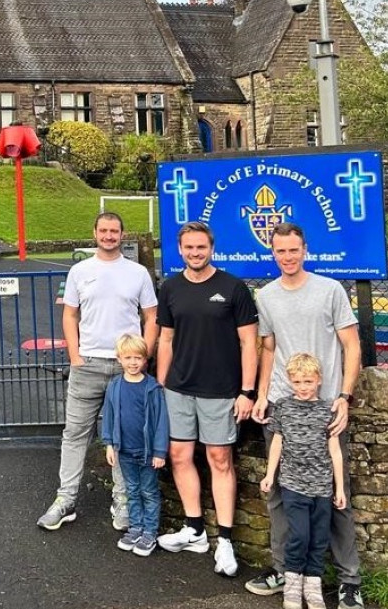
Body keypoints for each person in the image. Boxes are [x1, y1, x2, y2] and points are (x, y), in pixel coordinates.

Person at [248, 222, 364, 609]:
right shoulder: (266, 296)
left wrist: (344, 397)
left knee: (335, 493)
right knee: (281, 494)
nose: (287, 257)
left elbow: (351, 345)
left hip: (325, 408)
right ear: (273, 253)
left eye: (293, 250)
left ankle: (349, 580)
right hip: (284, 407)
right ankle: (285, 570)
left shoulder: (330, 290)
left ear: (305, 249)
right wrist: (263, 395)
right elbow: (268, 349)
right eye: (280, 251)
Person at [37, 212, 159, 531]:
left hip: (126, 367)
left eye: (114, 231)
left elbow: (151, 317)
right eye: (103, 230)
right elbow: (69, 315)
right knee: (75, 433)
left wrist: (142, 357)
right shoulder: (80, 271)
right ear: (94, 233)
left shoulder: (137, 273)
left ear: (122, 234)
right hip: (87, 364)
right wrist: (75, 356)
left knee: (124, 436)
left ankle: (123, 501)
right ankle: (65, 500)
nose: (108, 235)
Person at [154, 221, 258, 577]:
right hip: (179, 388)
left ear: (211, 248)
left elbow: (249, 342)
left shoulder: (233, 288)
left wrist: (247, 391)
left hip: (221, 390)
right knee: (179, 455)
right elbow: (165, 340)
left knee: (220, 458)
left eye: (201, 247)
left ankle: (224, 540)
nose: (195, 253)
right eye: (189, 248)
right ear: (180, 250)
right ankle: (195, 529)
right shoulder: (170, 288)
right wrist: (162, 384)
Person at [260, 353, 347, 609]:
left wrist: (339, 487)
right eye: (297, 382)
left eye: (308, 381)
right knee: (299, 535)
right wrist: (269, 474)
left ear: (319, 380)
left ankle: (313, 585)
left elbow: (335, 451)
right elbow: (277, 442)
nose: (303, 387)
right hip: (293, 485)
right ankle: (292, 584)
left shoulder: (327, 409)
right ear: (289, 382)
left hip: (321, 487)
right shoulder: (284, 407)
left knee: (319, 539)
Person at [100, 334, 169, 557]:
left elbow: (161, 422)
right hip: (125, 450)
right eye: (128, 357)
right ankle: (135, 527)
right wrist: (109, 444)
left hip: (148, 452)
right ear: (119, 359)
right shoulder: (115, 386)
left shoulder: (152, 388)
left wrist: (160, 451)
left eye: (137, 357)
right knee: (132, 490)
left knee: (148, 491)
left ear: (145, 359)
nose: (133, 362)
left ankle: (150, 531)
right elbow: (109, 416)